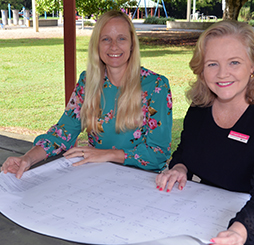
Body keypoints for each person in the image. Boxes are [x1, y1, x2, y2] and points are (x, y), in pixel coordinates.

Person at [155, 20, 254, 245]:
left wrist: (238, 234)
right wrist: (179, 168)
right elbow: (185, 153)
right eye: (213, 64)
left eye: (234, 62)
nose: (222, 74)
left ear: (253, 66)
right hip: (216, 211)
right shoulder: (200, 108)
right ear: (202, 70)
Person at [1, 10, 172, 179]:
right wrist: (27, 158)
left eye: (121, 38)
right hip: (96, 177)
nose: (113, 46)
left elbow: (158, 153)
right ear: (96, 45)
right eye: (106, 39)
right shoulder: (87, 82)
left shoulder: (156, 86)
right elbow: (62, 133)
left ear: (132, 44)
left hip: (142, 179)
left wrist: (107, 154)